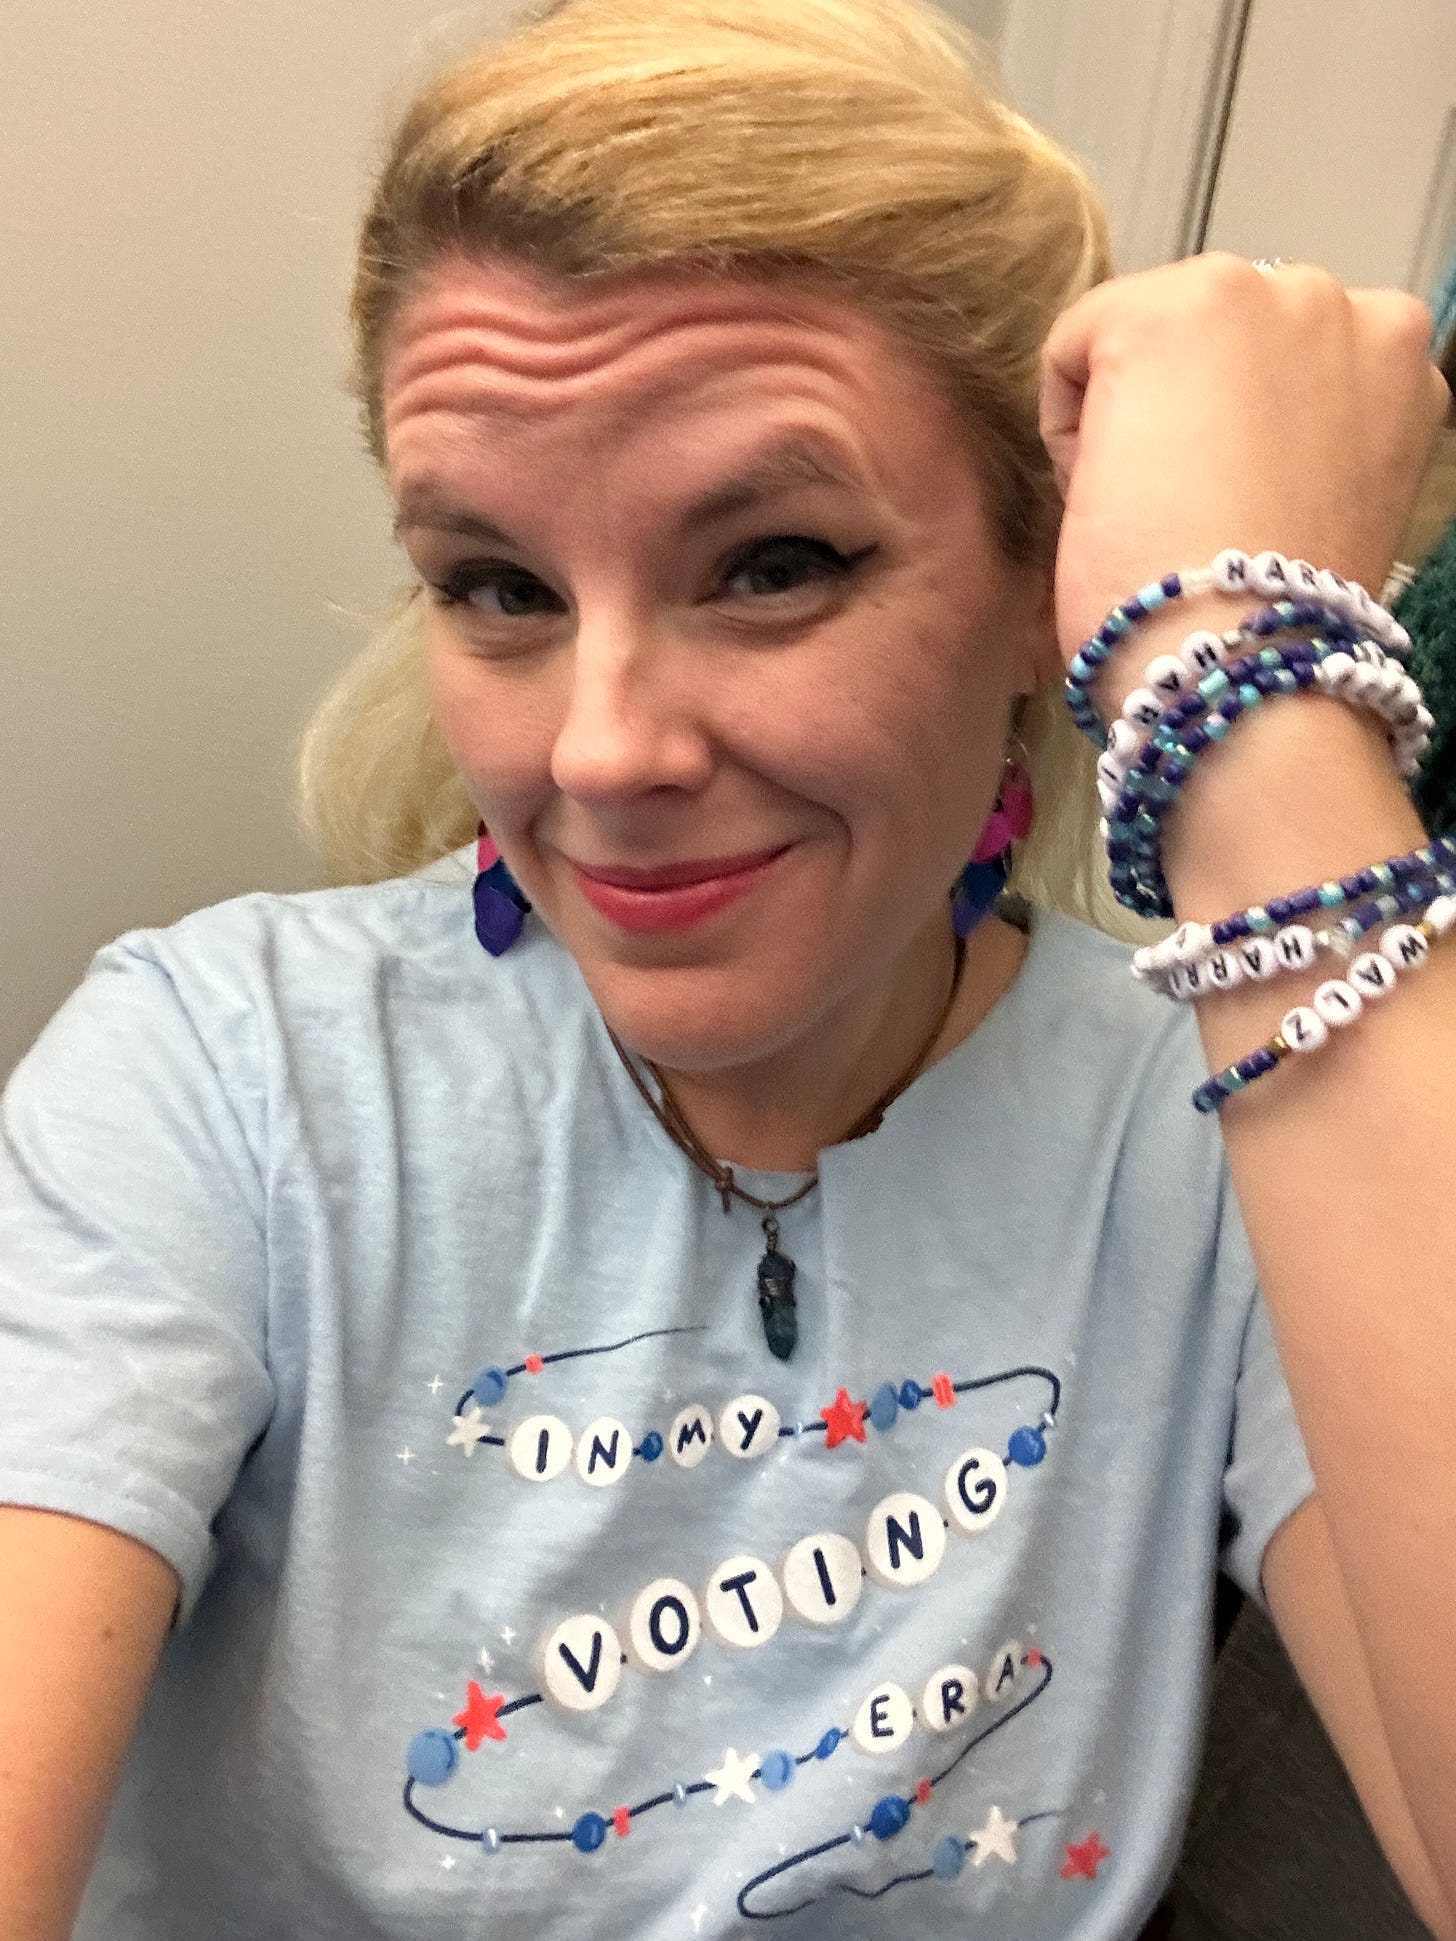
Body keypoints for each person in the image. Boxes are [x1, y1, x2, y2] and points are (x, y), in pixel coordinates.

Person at [0, 0, 1451, 1935]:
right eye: (500, 587)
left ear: (1047, 588)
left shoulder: (1228, 1129)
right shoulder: (222, 1075)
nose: (597, 752)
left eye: (771, 560)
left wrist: (1243, 677)